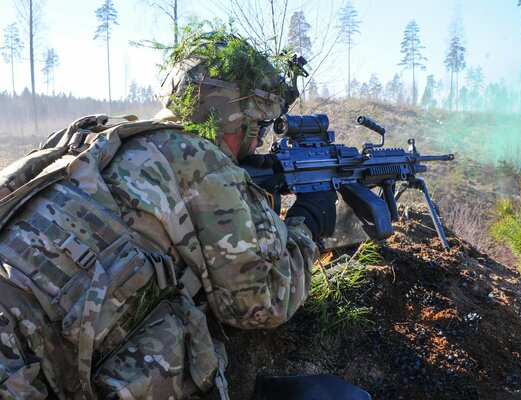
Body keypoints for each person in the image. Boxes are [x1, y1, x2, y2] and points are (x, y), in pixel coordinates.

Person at [0, 30, 336, 399]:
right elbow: (262, 304)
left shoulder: (113, 138)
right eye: (260, 126)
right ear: (235, 118)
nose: (259, 142)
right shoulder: (200, 162)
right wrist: (309, 225)